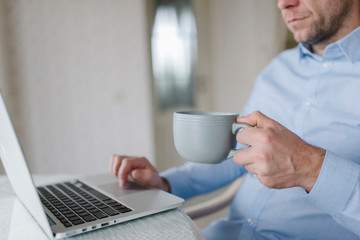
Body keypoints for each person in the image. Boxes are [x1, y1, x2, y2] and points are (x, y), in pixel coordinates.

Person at [110, 0, 360, 239]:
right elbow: (238, 152)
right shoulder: (277, 70)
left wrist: (310, 167)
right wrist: (164, 183)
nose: (283, 3)